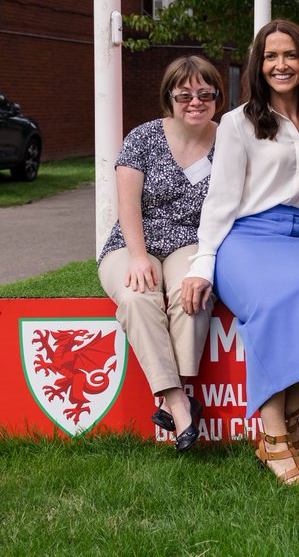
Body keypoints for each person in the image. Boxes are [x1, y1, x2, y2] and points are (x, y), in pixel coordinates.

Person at [181, 20, 299, 485]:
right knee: (270, 300)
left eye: (289, 55)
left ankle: (287, 418)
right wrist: (202, 265)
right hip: (245, 240)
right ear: (257, 65)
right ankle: (276, 436)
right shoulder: (237, 122)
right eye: (270, 57)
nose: (280, 65)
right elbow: (220, 200)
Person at [98, 55, 224, 451]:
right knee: (137, 296)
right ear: (168, 97)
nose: (195, 102)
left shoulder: (229, 140)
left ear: (218, 96)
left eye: (205, 93)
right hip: (135, 239)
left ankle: (179, 395)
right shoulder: (144, 137)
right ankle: (179, 404)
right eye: (184, 94)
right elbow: (128, 205)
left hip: (192, 241)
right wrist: (137, 256)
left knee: (192, 291)